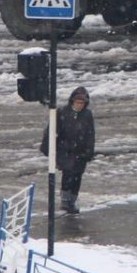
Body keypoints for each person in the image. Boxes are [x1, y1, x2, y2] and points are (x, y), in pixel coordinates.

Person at [44, 86, 95, 214]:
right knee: (68, 174)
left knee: (77, 176)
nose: (79, 105)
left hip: (80, 151)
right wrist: (48, 148)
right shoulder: (62, 112)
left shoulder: (87, 115)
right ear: (72, 101)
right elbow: (51, 130)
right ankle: (66, 201)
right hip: (65, 150)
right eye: (77, 102)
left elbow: (90, 134)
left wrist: (89, 151)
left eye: (82, 103)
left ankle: (72, 199)